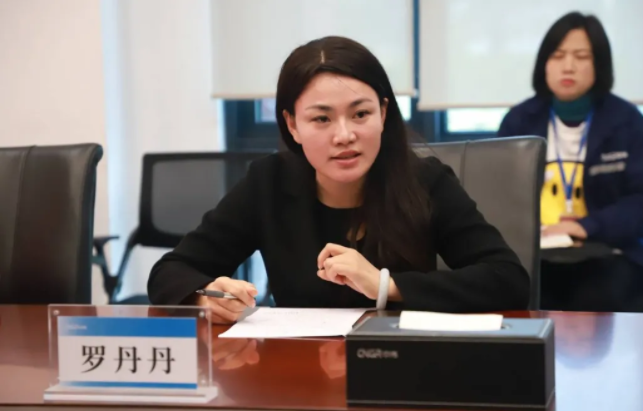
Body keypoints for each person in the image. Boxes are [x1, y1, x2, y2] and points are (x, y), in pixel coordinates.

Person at [148, 36, 529, 322]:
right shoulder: (268, 182)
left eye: (360, 114)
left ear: (383, 113)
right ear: (292, 125)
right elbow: (170, 271)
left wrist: (385, 285)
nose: (344, 135)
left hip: (404, 368)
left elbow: (508, 279)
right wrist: (205, 296)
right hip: (299, 371)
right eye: (321, 118)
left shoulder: (426, 181)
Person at [498, 12, 643, 312]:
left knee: (595, 302)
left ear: (599, 64)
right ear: (543, 64)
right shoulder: (520, 121)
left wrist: (588, 226)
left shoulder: (626, 121)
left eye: (581, 56)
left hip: (609, 250)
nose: (568, 66)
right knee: (512, 295)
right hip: (537, 252)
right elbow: (498, 194)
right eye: (557, 55)